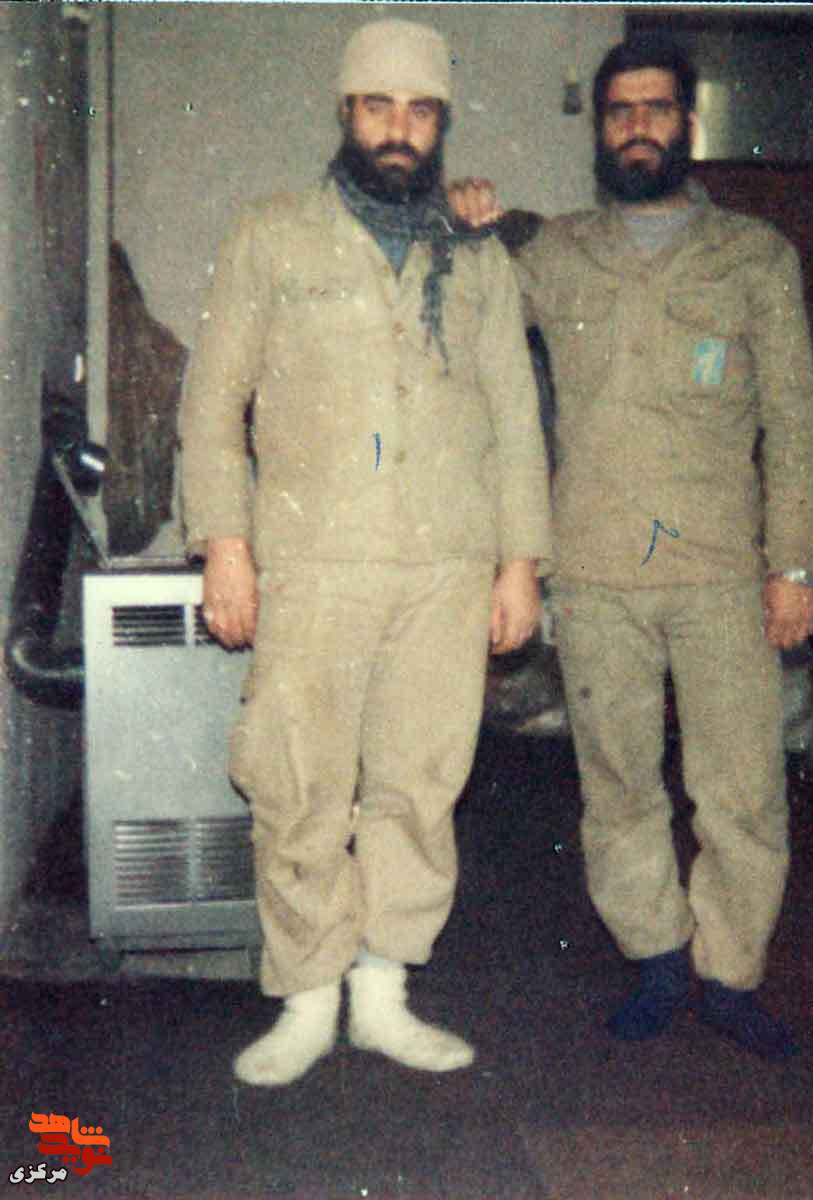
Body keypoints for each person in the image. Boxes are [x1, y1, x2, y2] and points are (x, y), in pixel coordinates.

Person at [179, 18, 551, 1087]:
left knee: (419, 783)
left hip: (446, 564)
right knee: (297, 782)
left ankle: (383, 996)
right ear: (346, 113)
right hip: (314, 563)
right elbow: (212, 405)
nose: (398, 127)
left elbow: (515, 414)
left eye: (419, 110)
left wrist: (520, 562)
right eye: (378, 105)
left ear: (441, 125)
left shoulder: (474, 251)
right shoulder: (272, 233)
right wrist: (225, 548)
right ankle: (306, 997)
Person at [450, 33, 813, 1059]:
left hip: (721, 570)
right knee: (617, 782)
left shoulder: (754, 255)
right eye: (621, 111)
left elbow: (795, 420)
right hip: (597, 567)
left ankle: (730, 973)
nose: (639, 127)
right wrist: (462, 218)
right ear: (601, 129)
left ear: (687, 126)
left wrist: (794, 565)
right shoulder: (556, 252)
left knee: (740, 786)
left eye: (657, 109)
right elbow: (464, 304)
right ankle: (658, 958)